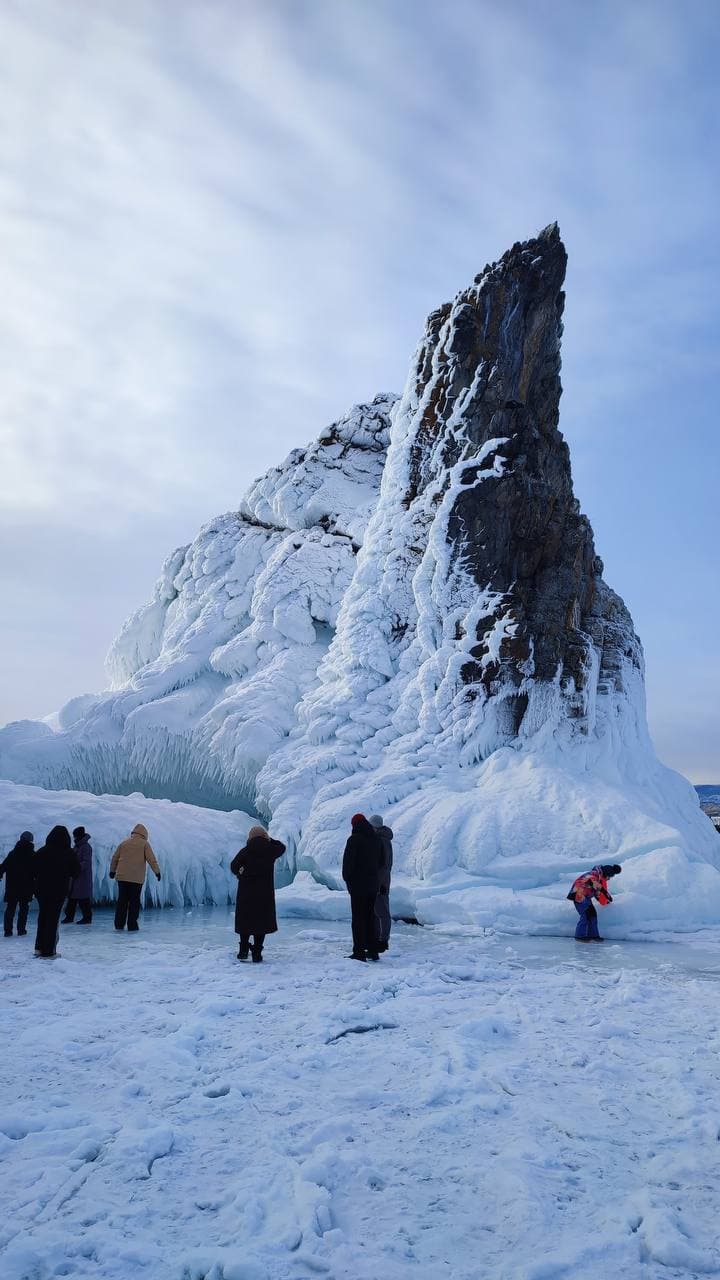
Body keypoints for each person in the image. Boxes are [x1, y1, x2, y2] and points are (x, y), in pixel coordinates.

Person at [230, 825, 286, 963]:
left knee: (245, 921)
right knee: (261, 922)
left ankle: (243, 950)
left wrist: (240, 872)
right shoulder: (270, 850)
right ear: (264, 836)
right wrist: (269, 839)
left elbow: (233, 866)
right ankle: (257, 952)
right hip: (264, 894)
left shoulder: (245, 851)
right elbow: (281, 847)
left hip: (246, 893)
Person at [34, 826, 80, 958]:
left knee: (43, 917)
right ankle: (49, 951)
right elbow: (76, 871)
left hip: (41, 890)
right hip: (58, 891)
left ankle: (38, 948)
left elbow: (32, 869)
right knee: (52, 920)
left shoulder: (42, 851)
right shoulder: (68, 852)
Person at [342, 814, 383, 962]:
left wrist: (348, 879)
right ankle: (373, 951)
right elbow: (382, 862)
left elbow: (348, 864)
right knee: (370, 917)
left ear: (354, 825)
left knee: (358, 919)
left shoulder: (354, 840)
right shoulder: (376, 839)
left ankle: (358, 951)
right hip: (372, 885)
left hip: (358, 886)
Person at [109, 823, 161, 932]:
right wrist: (157, 872)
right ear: (144, 834)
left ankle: (119, 924)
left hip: (122, 878)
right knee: (134, 902)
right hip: (136, 879)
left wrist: (112, 871)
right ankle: (132, 925)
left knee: (122, 901)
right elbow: (151, 859)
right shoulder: (144, 844)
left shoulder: (124, 843)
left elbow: (115, 858)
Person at [567, 864, 622, 942]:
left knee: (593, 914)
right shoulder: (594, 874)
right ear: (606, 874)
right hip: (578, 894)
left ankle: (593, 935)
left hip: (585, 896)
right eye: (609, 877)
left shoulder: (599, 878)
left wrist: (605, 899)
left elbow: (596, 892)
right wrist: (604, 891)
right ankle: (579, 935)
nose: (609, 879)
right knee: (586, 914)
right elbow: (592, 881)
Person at [1, 831, 35, 937]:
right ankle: (21, 930)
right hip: (27, 887)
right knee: (24, 909)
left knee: (10, 909)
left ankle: (8, 931)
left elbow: (3, 867)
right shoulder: (32, 855)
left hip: (12, 887)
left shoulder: (13, 853)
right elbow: (37, 871)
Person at [369, 813, 394, 953]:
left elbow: (384, 866)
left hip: (380, 883)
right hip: (381, 882)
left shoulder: (381, 841)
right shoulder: (383, 840)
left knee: (382, 913)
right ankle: (379, 939)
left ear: (375, 826)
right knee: (377, 912)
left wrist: (379, 885)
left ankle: (383, 941)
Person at [62, 827, 93, 924]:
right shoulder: (77, 846)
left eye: (75, 835)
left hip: (82, 877)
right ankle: (69, 917)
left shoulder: (86, 847)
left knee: (83, 899)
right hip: (75, 876)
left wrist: (76, 867)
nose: (74, 837)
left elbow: (86, 862)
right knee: (72, 898)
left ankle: (87, 918)